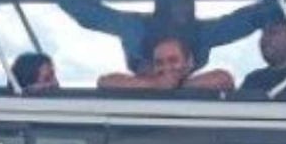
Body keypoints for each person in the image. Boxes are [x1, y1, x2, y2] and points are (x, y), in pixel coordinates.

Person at [56, 0, 270, 74]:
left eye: (188, 1)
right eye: (177, 1)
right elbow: (93, 16)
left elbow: (237, 24)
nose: (184, 8)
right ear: (163, 4)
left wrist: (278, 0)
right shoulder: (136, 28)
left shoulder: (200, 34)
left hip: (188, 104)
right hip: (144, 101)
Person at [97, 35, 235, 93]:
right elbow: (104, 82)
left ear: (189, 62)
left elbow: (224, 78)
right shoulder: (145, 86)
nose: (166, 68)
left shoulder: (201, 85)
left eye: (173, 60)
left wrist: (177, 86)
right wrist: (155, 85)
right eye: (159, 62)